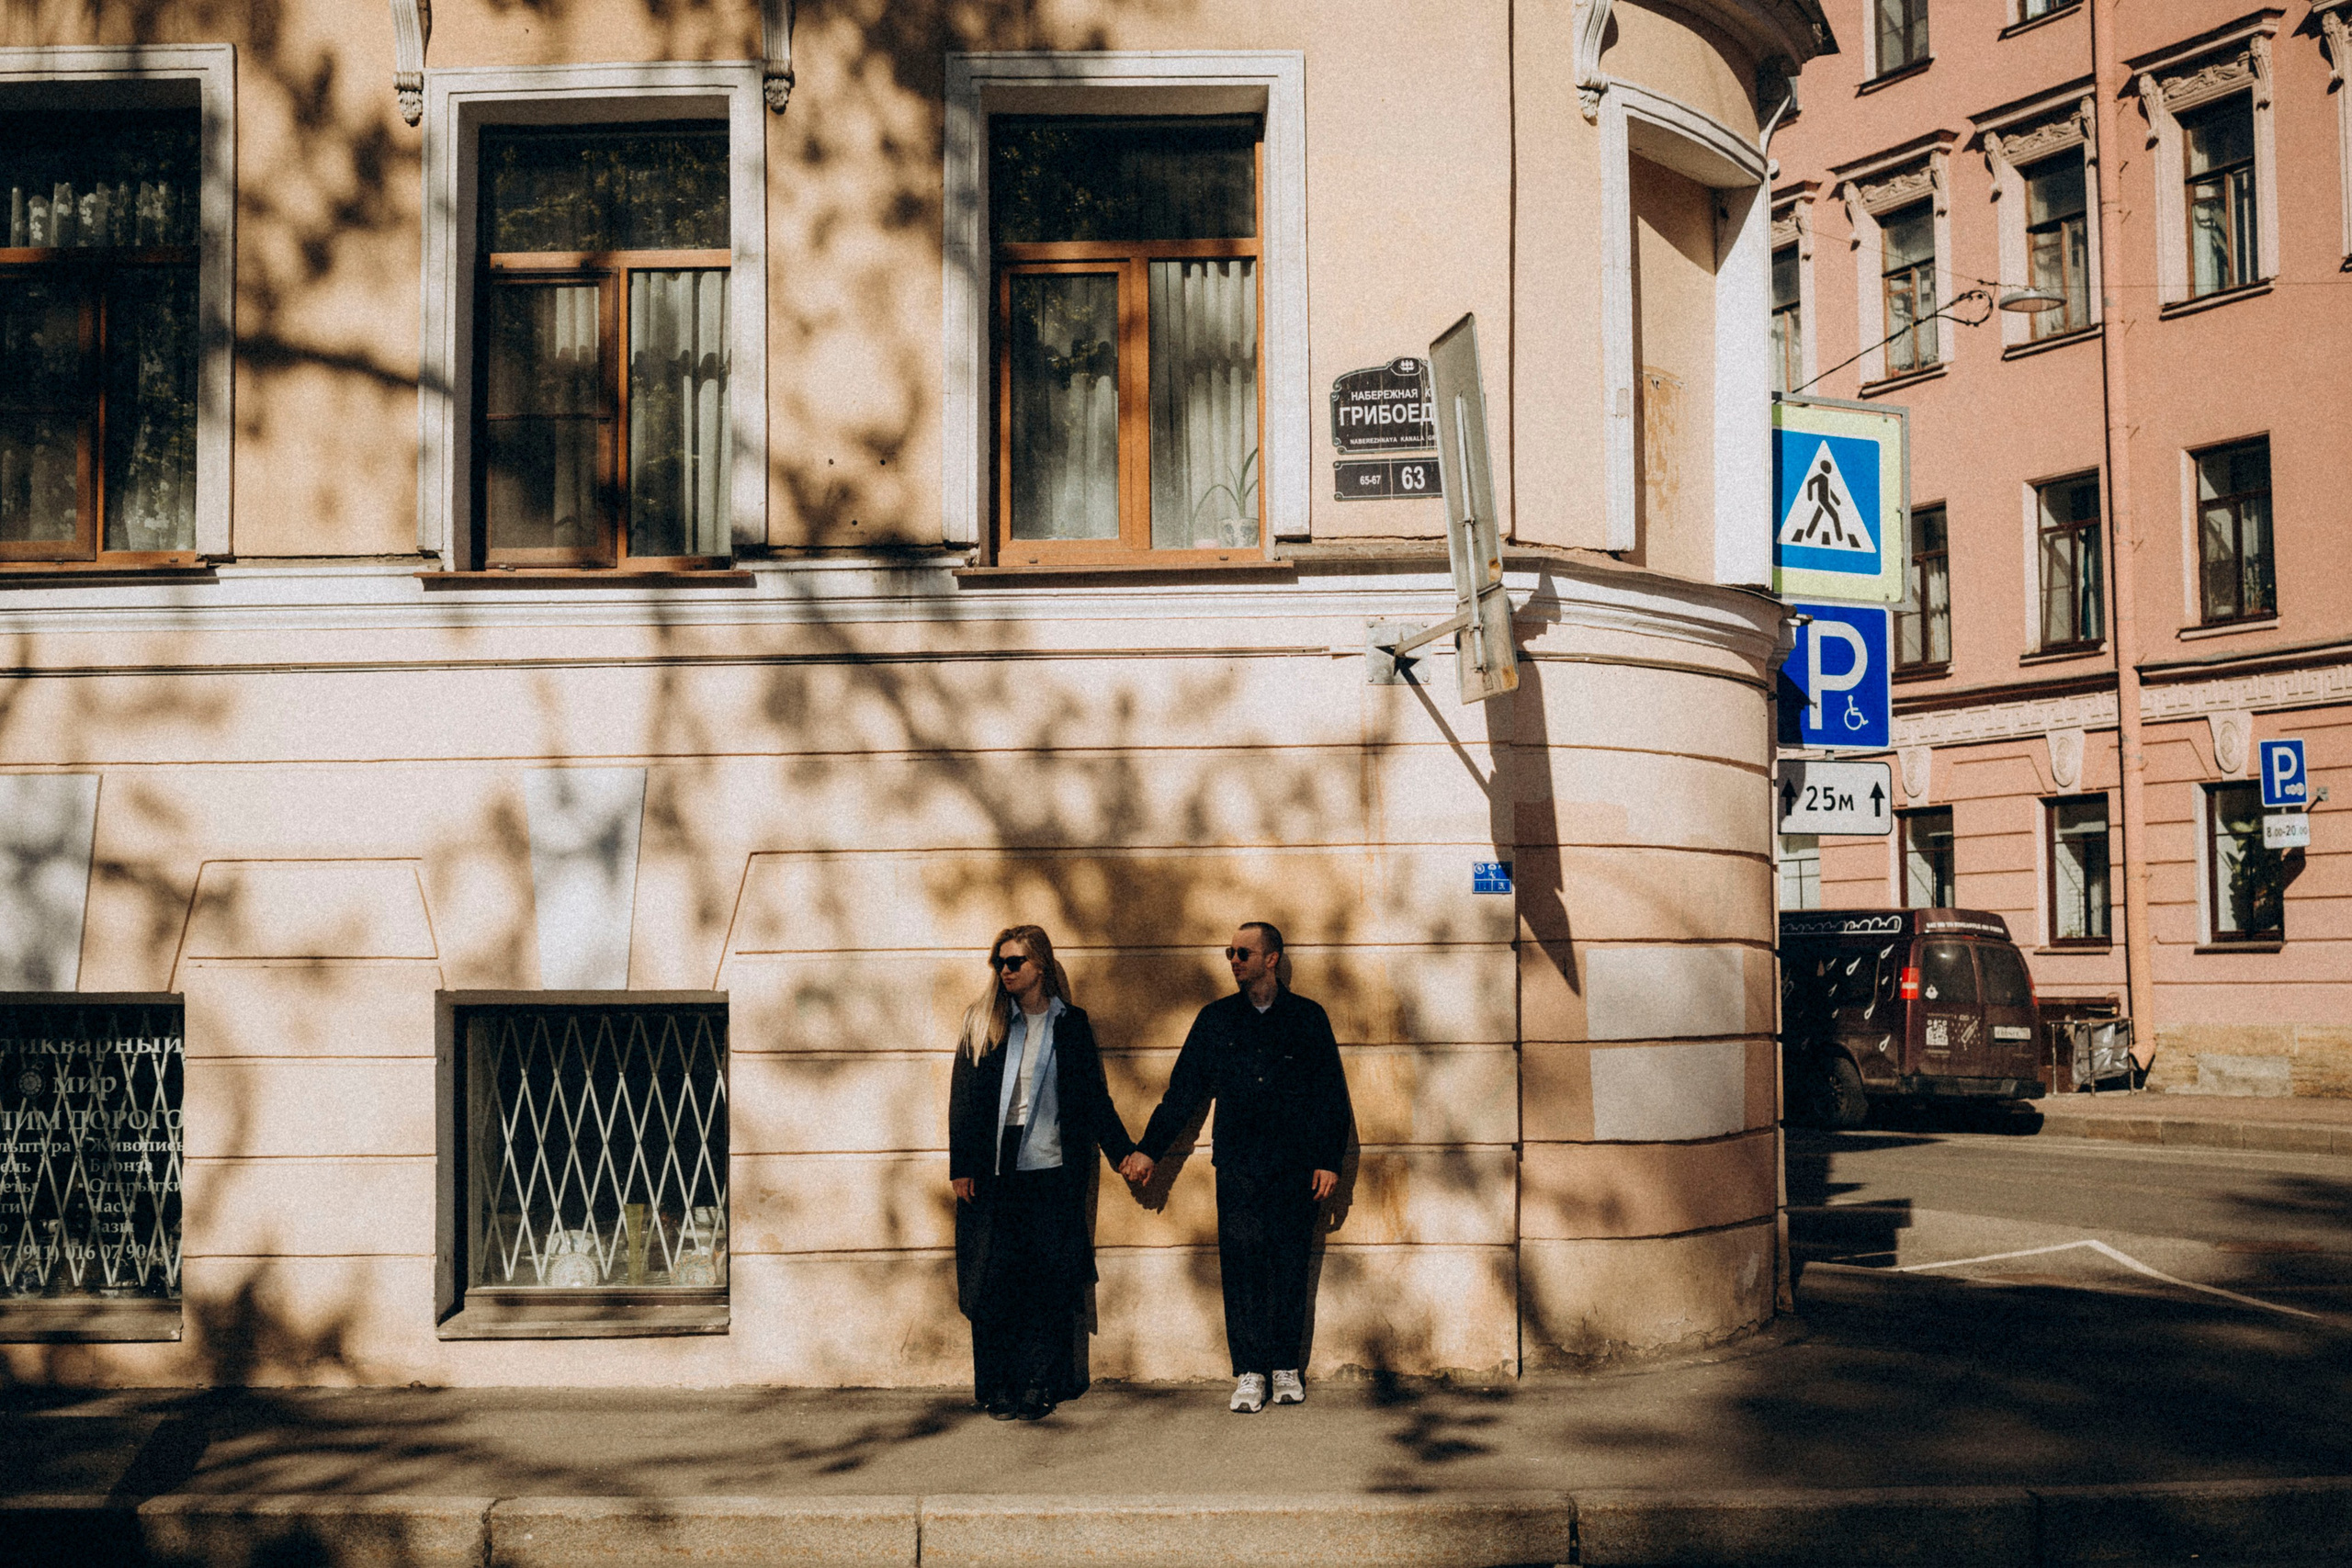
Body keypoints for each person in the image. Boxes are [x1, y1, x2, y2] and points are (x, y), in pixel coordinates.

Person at [1122, 921, 1351, 1413]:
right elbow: (1183, 1094)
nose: (1234, 960)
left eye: (1243, 952)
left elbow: (1331, 1096)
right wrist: (1148, 1149)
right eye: (1229, 952)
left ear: (1272, 958)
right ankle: (1249, 1372)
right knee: (1242, 1265)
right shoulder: (1216, 1020)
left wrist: (1328, 1162)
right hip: (1239, 1167)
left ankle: (1285, 1367)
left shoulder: (1308, 1018)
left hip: (1296, 1169)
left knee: (1291, 1265)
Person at [947, 924, 1145, 1421]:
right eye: (1000, 963)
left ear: (1040, 966)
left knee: (1045, 1280)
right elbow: (964, 1102)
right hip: (995, 1166)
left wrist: (1124, 1153)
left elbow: (1094, 1099)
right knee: (994, 1277)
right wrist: (962, 1167)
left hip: (1052, 1165)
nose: (1005, 971)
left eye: (1014, 962)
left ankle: (1040, 1383)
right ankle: (997, 1385)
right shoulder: (983, 1021)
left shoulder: (1070, 1024)